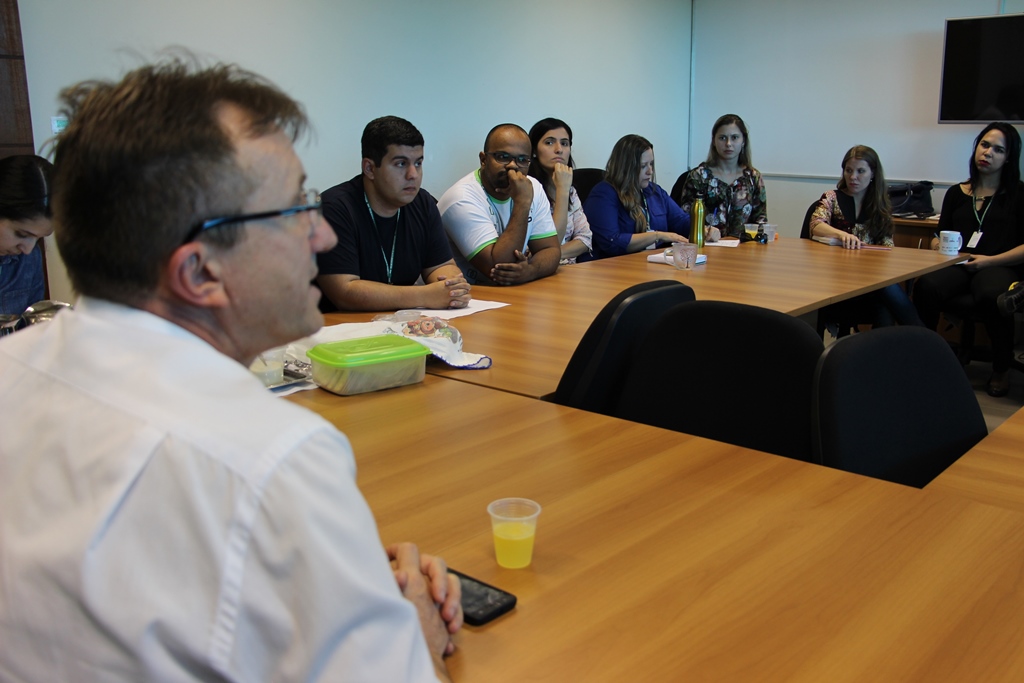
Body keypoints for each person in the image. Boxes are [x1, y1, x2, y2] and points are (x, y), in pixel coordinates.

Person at [0, 60, 462, 681]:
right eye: (292, 208)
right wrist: (418, 625)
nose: (322, 236)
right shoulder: (273, 460)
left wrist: (318, 566)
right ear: (199, 273)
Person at [316, 116, 471, 312]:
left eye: (418, 163)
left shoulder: (423, 203)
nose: (413, 174)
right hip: (335, 329)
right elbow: (345, 292)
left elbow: (441, 266)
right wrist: (426, 295)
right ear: (370, 168)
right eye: (401, 164)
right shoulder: (333, 209)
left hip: (397, 326)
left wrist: (451, 288)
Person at [914, 122, 1024, 397]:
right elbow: (938, 235)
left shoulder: (1019, 194)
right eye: (984, 145)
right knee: (926, 285)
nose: (987, 153)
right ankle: (924, 358)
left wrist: (988, 261)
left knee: (990, 294)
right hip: (959, 265)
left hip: (1000, 265)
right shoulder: (956, 193)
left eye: (998, 150)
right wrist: (938, 244)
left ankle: (1001, 368)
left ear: (1008, 157)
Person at [808, 145, 923, 328]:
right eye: (849, 170)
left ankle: (892, 350)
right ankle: (922, 338)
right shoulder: (832, 197)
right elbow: (816, 225)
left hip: (869, 280)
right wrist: (842, 234)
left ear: (873, 174)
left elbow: (887, 247)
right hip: (837, 279)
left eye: (860, 171)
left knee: (884, 306)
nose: (853, 177)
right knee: (886, 293)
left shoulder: (880, 204)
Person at [438, 123, 561, 285]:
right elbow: (497, 268)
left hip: (509, 294)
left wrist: (530, 270)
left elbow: (551, 250)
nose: (513, 165)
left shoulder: (533, 187)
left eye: (522, 160)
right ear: (483, 160)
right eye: (503, 157)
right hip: (469, 296)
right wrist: (522, 203)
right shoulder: (461, 198)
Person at [583, 134, 690, 259]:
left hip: (652, 263)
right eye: (643, 166)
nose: (650, 171)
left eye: (651, 164)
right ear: (626, 167)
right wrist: (656, 236)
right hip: (613, 268)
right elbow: (612, 242)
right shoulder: (603, 194)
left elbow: (681, 221)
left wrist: (703, 229)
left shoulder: (654, 191)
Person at [674, 114, 765, 241]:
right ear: (714, 141)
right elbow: (685, 220)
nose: (728, 144)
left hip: (744, 251)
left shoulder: (753, 177)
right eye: (722, 138)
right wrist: (705, 231)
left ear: (743, 141)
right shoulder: (698, 176)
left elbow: (760, 221)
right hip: (707, 248)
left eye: (734, 138)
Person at [527, 118, 593, 264]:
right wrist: (562, 190)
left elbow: (585, 239)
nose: (559, 149)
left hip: (570, 272)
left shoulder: (570, 190)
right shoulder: (527, 189)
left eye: (564, 143)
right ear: (534, 151)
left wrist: (551, 254)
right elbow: (552, 241)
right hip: (538, 273)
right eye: (549, 142)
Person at [0, 155, 54, 315]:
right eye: (22, 234)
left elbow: (32, 327)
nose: (28, 249)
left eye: (38, 238)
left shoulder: (29, 259)